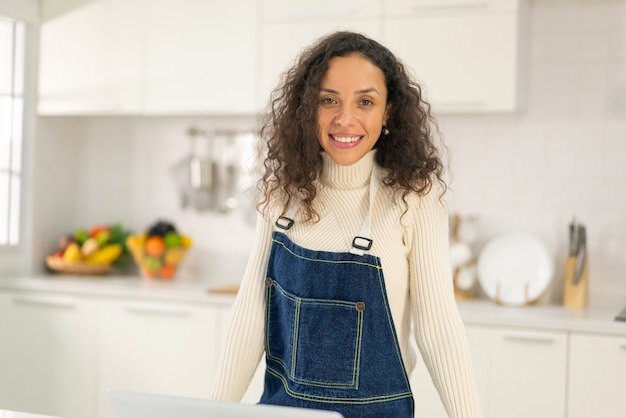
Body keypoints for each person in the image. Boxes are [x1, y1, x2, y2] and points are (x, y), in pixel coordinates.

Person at [210, 31, 484, 418]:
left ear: (387, 111)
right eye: (328, 100)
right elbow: (250, 313)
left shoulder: (413, 197)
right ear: (309, 108)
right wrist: (212, 410)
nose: (345, 119)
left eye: (365, 102)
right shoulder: (281, 193)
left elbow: (439, 327)